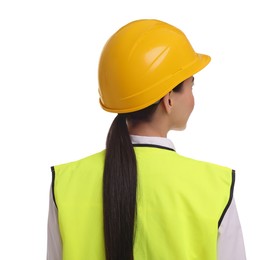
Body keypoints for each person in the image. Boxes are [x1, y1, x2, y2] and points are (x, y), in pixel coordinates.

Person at [47, 19, 246, 260]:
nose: (193, 98)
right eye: (191, 85)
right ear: (169, 98)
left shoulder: (66, 184)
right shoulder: (216, 187)